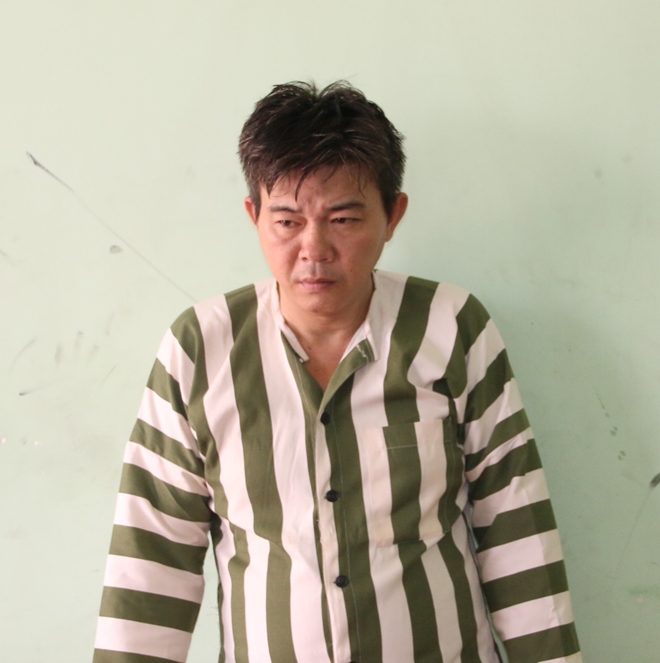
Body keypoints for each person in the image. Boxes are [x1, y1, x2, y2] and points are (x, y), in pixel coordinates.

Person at [93, 81, 581, 663]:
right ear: (254, 216)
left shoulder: (452, 328)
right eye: (287, 221)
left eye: (344, 218)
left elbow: (516, 528)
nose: (314, 248)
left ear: (393, 215)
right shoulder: (201, 348)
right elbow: (152, 557)